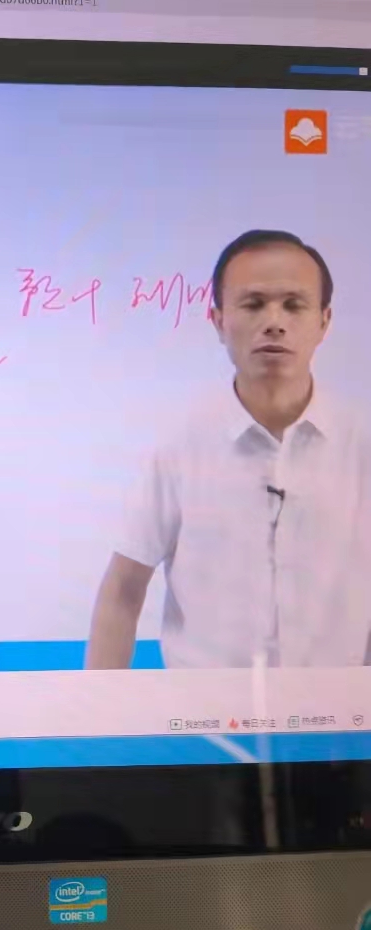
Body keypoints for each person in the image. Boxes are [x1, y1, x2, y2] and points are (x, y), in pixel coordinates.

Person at [86, 229, 371, 669]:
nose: (274, 322)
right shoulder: (180, 446)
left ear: (324, 321)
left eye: (293, 304)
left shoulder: (361, 444)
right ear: (218, 321)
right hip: (204, 709)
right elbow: (124, 589)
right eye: (253, 304)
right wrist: (99, 707)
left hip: (339, 709)